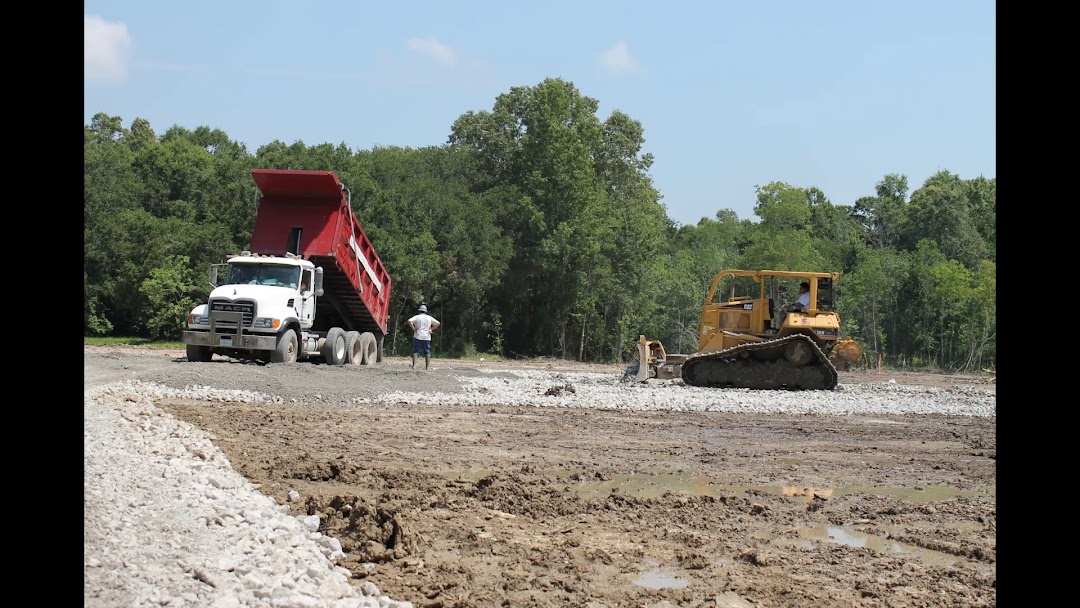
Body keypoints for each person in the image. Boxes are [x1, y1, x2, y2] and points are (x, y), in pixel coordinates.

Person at [407, 304, 441, 369]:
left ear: (419, 311)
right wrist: (431, 329)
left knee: (416, 350)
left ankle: (414, 366)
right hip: (426, 336)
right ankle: (427, 367)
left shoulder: (417, 317)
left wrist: (413, 328)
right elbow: (438, 323)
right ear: (425, 311)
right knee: (427, 351)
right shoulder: (429, 317)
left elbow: (409, 321)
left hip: (418, 335)